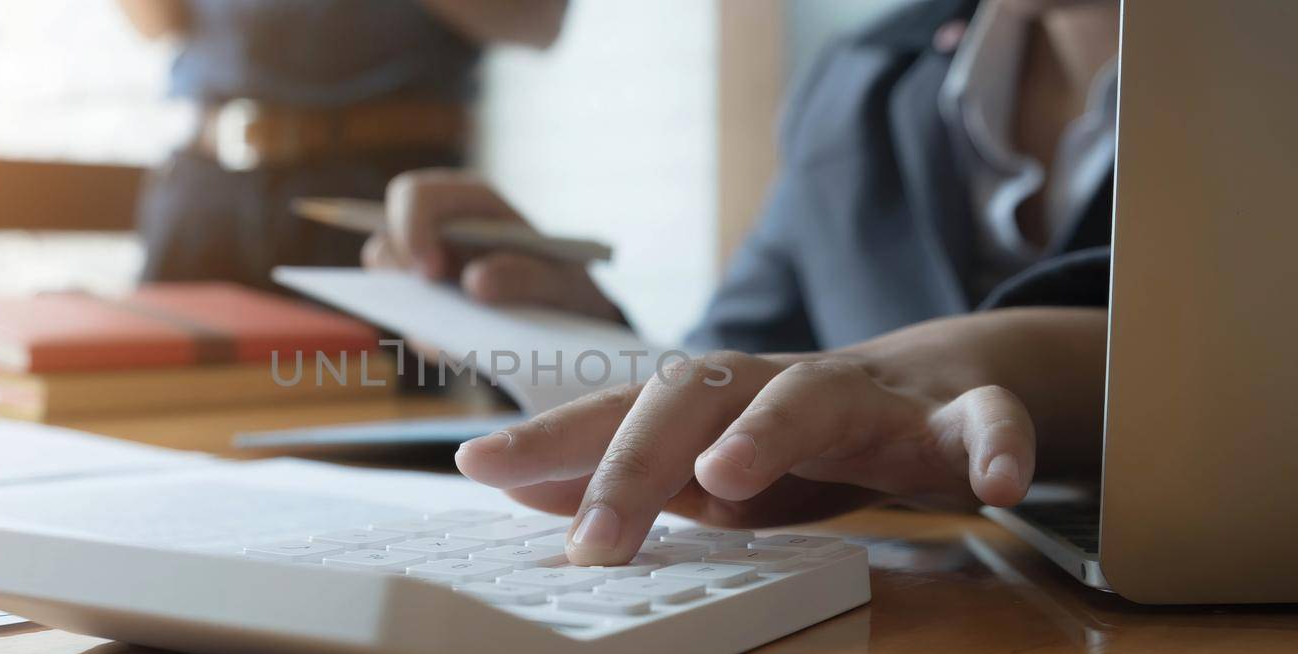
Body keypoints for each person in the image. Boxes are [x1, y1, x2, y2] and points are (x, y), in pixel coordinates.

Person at [362, 0, 1122, 565]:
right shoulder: (858, 80)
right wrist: (560, 326)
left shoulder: (1242, 88)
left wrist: (916, 372)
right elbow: (734, 369)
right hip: (897, 620)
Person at [115, 0, 568, 290]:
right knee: (141, 415)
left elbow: (536, 18)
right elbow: (155, 21)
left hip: (378, 193)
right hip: (207, 185)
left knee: (375, 431)